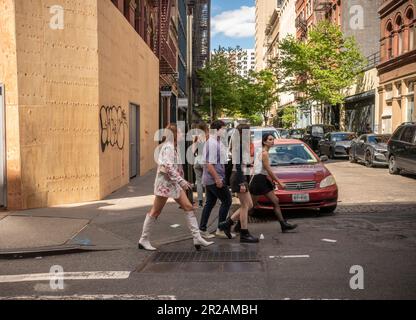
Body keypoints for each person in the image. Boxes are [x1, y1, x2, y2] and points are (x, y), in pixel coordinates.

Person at [138, 123, 214, 251]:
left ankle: (197, 238)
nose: (182, 134)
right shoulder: (168, 148)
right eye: (179, 133)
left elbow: (176, 168)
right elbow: (168, 167)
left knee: (188, 207)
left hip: (173, 184)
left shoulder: (174, 147)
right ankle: (143, 240)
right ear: (173, 135)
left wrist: (182, 181)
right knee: (155, 211)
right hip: (165, 185)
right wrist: (182, 181)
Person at [218, 124, 259, 243]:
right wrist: (242, 182)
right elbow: (237, 165)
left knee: (249, 204)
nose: (250, 134)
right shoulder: (240, 145)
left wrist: (248, 166)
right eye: (248, 132)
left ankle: (227, 223)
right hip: (238, 177)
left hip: (239, 176)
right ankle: (244, 233)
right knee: (245, 206)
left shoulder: (239, 145)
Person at [249, 133, 298, 233]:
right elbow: (269, 170)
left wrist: (269, 179)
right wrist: (279, 182)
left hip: (262, 179)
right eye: (270, 139)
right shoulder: (264, 153)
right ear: (264, 142)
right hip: (258, 181)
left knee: (275, 201)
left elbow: (262, 169)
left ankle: (283, 224)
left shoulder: (263, 152)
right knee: (250, 206)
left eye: (273, 139)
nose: (272, 141)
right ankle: (233, 223)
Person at [199, 120, 235, 239]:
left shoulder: (216, 142)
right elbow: (209, 164)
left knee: (210, 203)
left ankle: (202, 229)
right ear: (217, 129)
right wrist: (218, 179)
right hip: (214, 179)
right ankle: (220, 228)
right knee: (227, 200)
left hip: (211, 179)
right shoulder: (213, 143)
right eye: (223, 129)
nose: (225, 131)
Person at [192, 121, 209, 208]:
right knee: (206, 181)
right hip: (205, 161)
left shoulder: (196, 137)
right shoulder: (207, 137)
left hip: (197, 160)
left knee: (198, 182)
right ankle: (207, 201)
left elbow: (192, 151)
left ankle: (200, 202)